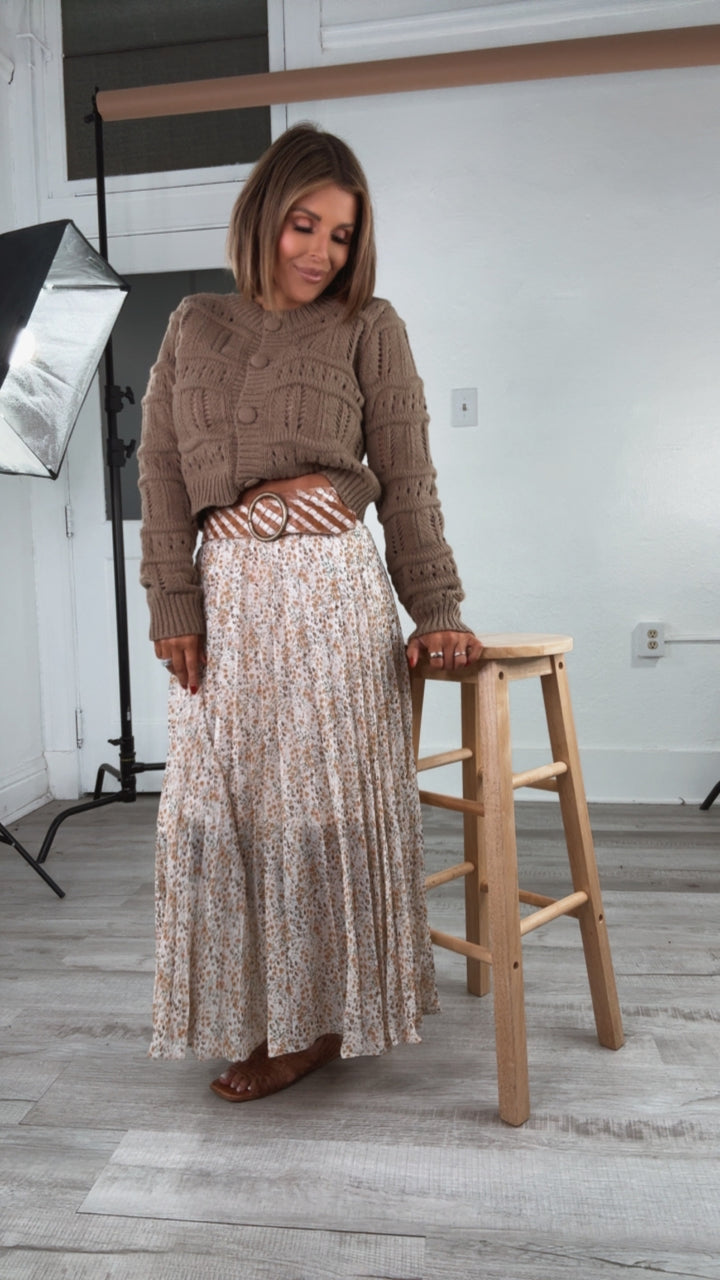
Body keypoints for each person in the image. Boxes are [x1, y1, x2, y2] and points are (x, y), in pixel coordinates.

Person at [138, 122, 483, 1103]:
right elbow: (160, 470)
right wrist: (171, 598)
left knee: (316, 811)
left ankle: (318, 1023)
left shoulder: (370, 324)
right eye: (305, 225)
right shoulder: (193, 324)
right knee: (223, 809)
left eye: (342, 234)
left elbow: (408, 477)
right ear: (261, 216)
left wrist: (437, 606)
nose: (323, 251)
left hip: (331, 595)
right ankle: (254, 1009)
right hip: (229, 599)